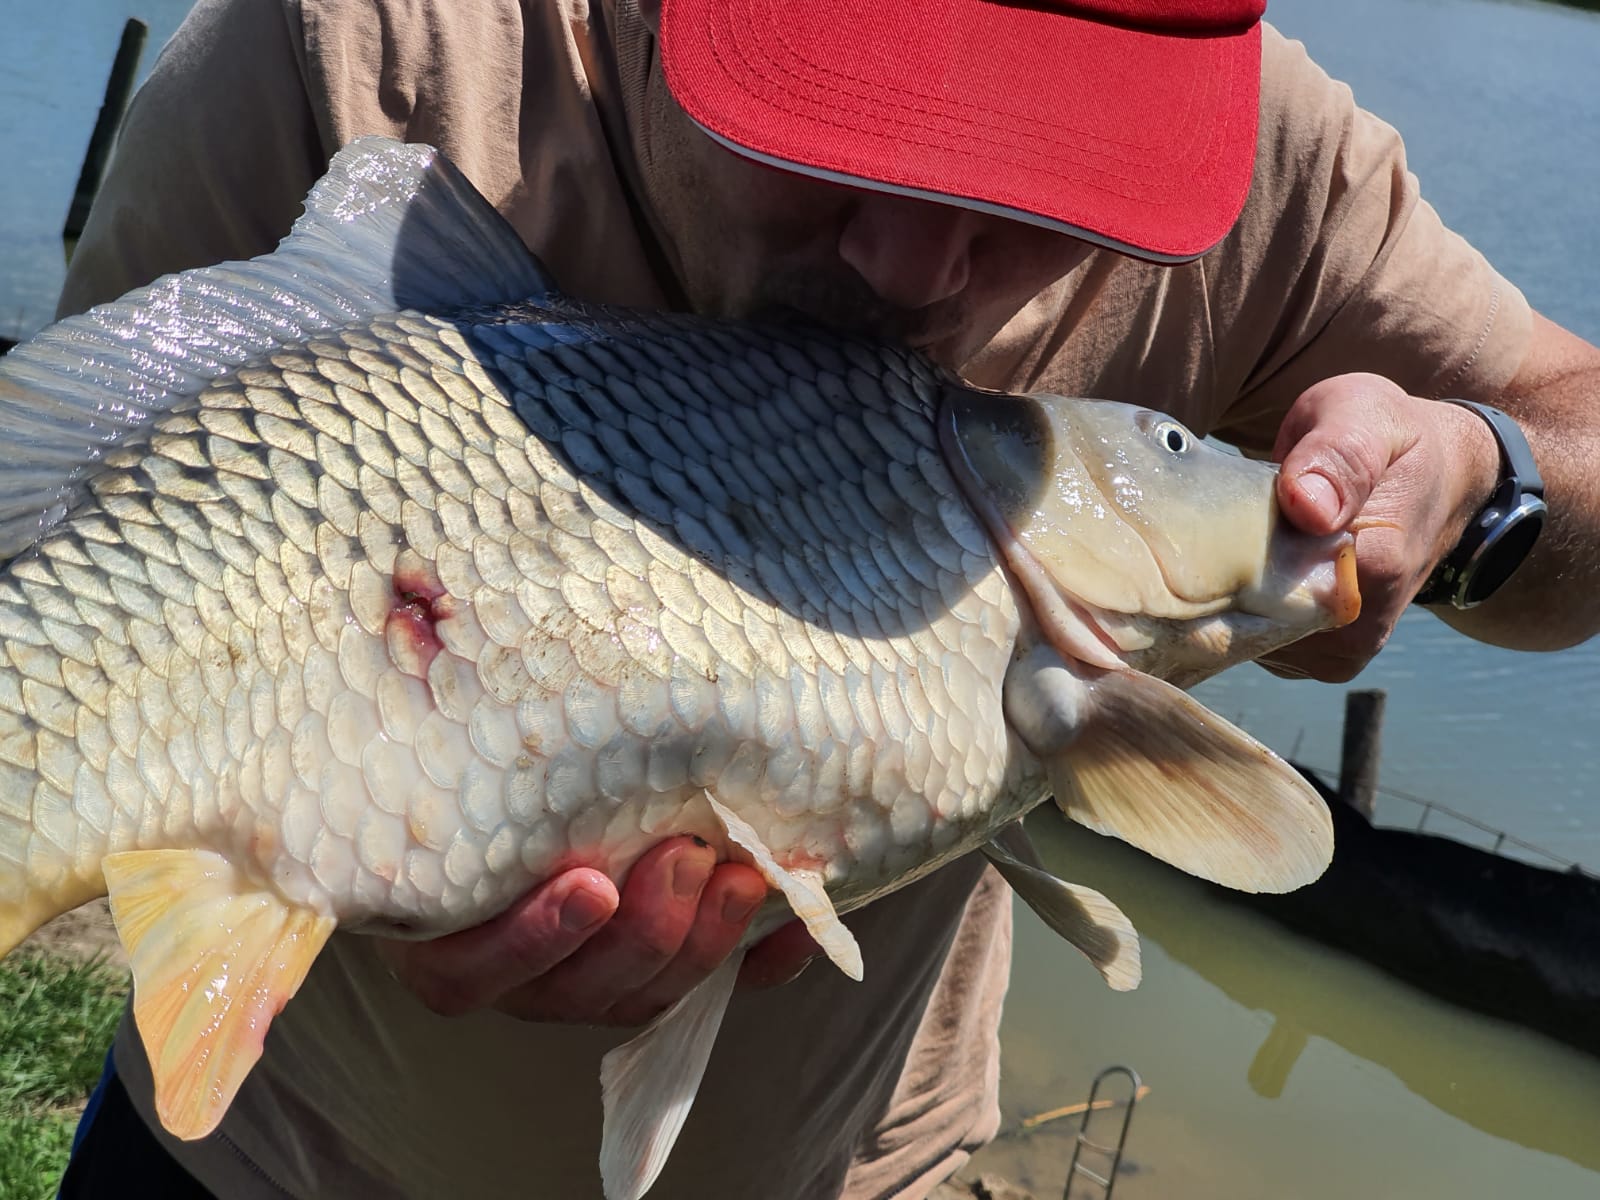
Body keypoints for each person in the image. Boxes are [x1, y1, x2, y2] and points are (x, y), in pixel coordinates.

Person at [52, 0, 1600, 1197]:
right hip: (270, 1165)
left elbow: (1577, 434)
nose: (913, 266)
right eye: (833, 126)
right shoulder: (345, 47)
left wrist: (1482, 483)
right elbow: (58, 540)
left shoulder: (1269, 165)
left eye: (1039, 185)